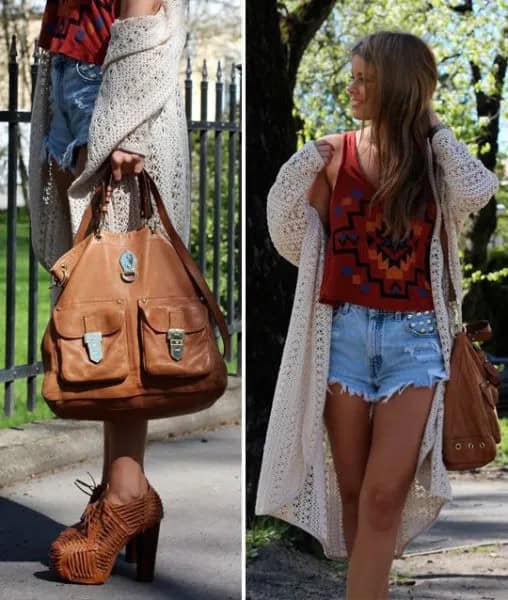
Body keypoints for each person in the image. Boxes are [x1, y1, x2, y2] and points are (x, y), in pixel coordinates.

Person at [255, 31, 499, 599]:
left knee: (383, 497)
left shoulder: (435, 164)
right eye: (353, 75)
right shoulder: (334, 153)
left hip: (416, 342)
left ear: (396, 86)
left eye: (365, 77)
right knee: (353, 493)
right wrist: (301, 163)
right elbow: (284, 226)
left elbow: (479, 189)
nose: (353, 86)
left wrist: (434, 127)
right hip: (343, 336)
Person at [28, 0, 190, 584]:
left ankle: (125, 498)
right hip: (79, 89)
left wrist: (129, 124)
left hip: (114, 101)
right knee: (106, 317)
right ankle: (124, 491)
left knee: (126, 313)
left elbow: (145, 20)